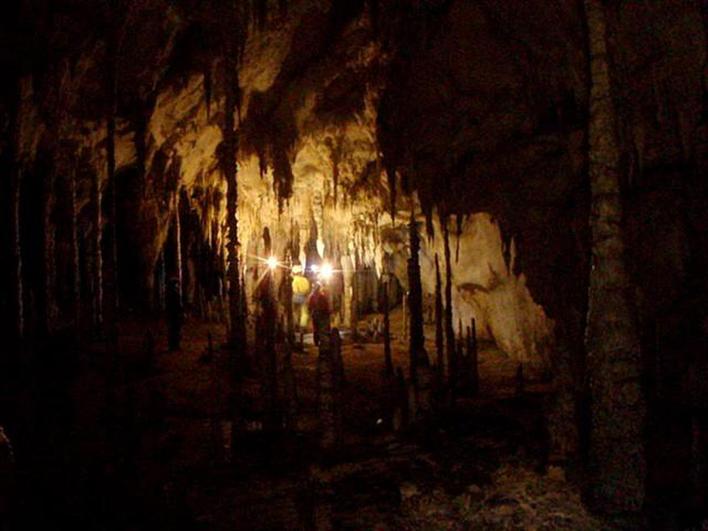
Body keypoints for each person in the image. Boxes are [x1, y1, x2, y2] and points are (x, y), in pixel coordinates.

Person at [308, 282, 331, 347]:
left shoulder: (312, 297)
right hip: (321, 314)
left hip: (315, 314)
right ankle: (322, 342)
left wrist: (311, 313)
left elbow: (310, 306)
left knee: (316, 328)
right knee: (321, 328)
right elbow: (326, 306)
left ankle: (317, 342)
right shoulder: (322, 297)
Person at [291, 264, 311, 333]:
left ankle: (295, 324)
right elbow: (308, 289)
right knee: (304, 313)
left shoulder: (294, 280)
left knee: (295, 312)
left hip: (295, 297)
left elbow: (294, 290)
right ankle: (302, 327)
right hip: (303, 297)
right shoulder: (305, 280)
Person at [166, 277, 183, 351]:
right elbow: (177, 305)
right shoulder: (174, 294)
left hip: (173, 315)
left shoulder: (170, 293)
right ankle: (174, 345)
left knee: (174, 330)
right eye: (176, 284)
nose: (178, 286)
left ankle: (174, 345)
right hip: (175, 315)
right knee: (175, 330)